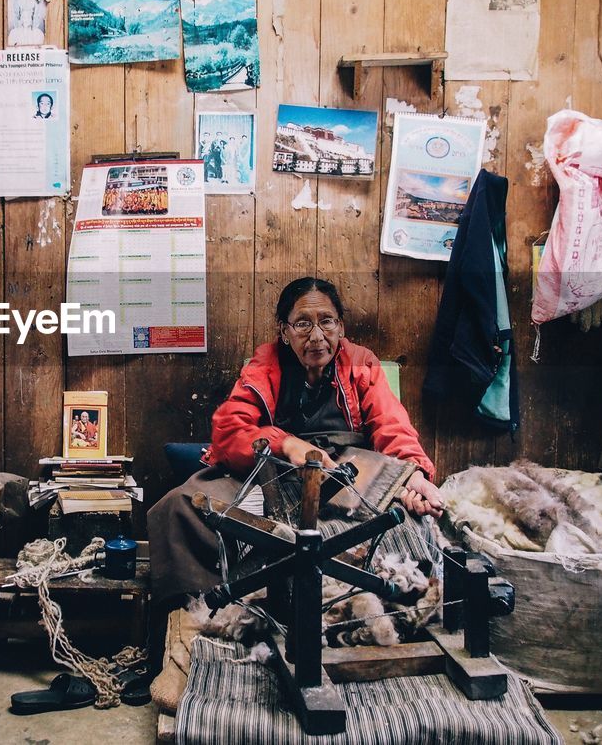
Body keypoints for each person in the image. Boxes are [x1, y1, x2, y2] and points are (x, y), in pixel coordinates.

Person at [146, 277, 444, 709]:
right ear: (283, 330)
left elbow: (392, 428)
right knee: (178, 506)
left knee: (402, 515)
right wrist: (285, 443)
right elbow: (229, 429)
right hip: (274, 467)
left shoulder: (361, 363)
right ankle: (195, 632)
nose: (316, 335)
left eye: (327, 321)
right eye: (302, 323)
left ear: (341, 327)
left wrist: (412, 475)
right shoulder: (264, 364)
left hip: (345, 468)